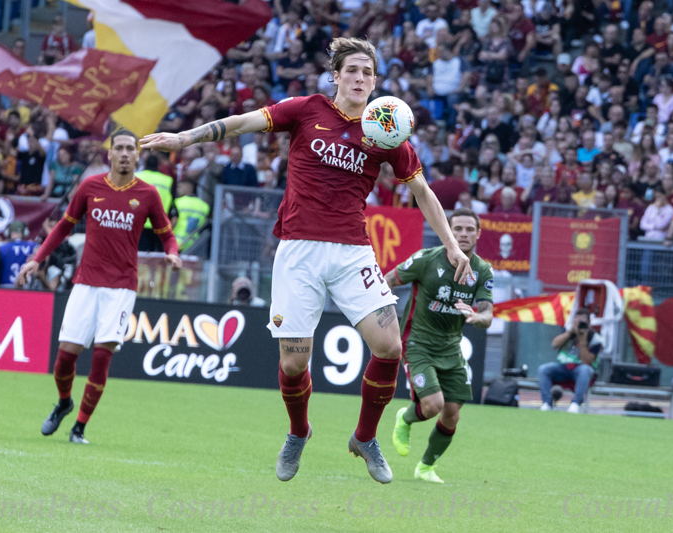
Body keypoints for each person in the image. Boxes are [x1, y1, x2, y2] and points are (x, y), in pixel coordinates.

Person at [140, 37, 472, 484]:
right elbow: (241, 123)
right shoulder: (306, 109)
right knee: (295, 364)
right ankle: (299, 433)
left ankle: (364, 437)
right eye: (352, 70)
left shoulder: (386, 127)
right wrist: (185, 137)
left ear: (376, 81)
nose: (359, 79)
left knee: (390, 346)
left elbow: (423, 192)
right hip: (298, 252)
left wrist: (451, 244)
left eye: (367, 72)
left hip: (353, 251)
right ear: (336, 76)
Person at [17, 129, 182, 445]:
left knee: (102, 357)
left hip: (121, 288)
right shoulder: (90, 187)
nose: (123, 153)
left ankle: (79, 427)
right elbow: (64, 226)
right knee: (65, 358)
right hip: (86, 282)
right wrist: (38, 259)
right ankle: (64, 402)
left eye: (129, 149)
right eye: (118, 148)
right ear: (109, 154)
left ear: (136, 155)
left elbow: (167, 234)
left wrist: (172, 253)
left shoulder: (147, 194)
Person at [385, 209, 493, 483]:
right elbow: (389, 280)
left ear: (478, 234)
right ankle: (405, 418)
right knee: (433, 405)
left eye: (470, 229)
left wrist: (477, 317)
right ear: (448, 231)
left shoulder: (482, 270)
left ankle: (425, 468)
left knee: (452, 414)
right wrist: (381, 315)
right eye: (458, 229)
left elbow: (488, 315)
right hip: (417, 342)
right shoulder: (427, 259)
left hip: (451, 348)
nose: (463, 234)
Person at [538, 308, 603, 413]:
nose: (580, 324)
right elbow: (554, 344)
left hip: (581, 369)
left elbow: (587, 362)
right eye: (577, 321)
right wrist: (570, 333)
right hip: (564, 367)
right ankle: (547, 403)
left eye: (583, 322)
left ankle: (575, 404)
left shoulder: (595, 338)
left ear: (589, 323)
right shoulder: (568, 331)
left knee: (585, 370)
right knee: (543, 369)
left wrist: (583, 340)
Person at [136, 155, 176, 252]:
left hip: (141, 222)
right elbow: (172, 201)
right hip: (160, 222)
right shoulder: (168, 180)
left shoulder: (137, 176)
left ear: (145, 164)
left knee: (140, 254)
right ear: (159, 165)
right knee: (159, 256)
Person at [0, 221, 37, 288]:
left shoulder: (3, 248)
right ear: (25, 232)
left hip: (6, 288)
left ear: (8, 232)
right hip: (26, 288)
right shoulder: (33, 247)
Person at [172, 179, 210, 251]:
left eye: (180, 187)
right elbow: (204, 224)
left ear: (189, 187)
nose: (177, 189)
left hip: (176, 243)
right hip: (194, 244)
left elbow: (174, 221)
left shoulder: (178, 202)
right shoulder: (204, 206)